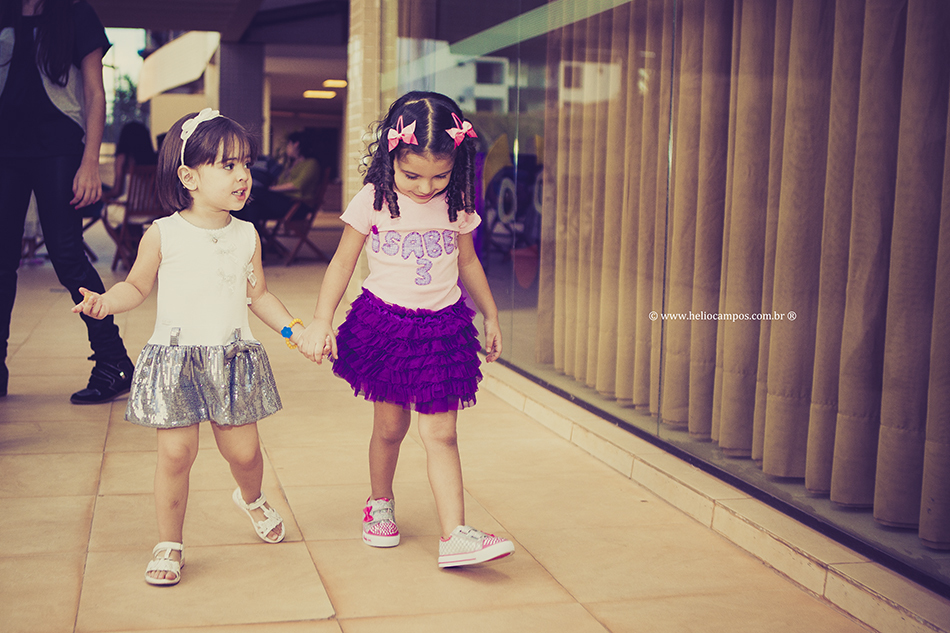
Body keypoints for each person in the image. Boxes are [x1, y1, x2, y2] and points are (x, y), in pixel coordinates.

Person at [72, 109, 323, 586]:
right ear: (189, 177)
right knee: (176, 455)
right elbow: (136, 287)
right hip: (176, 362)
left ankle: (251, 497)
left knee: (244, 454)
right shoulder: (163, 233)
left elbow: (258, 296)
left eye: (245, 163)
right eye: (228, 165)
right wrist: (106, 302)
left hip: (230, 359)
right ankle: (169, 542)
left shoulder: (247, 235)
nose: (243, 175)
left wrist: (295, 330)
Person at [297, 91, 514, 568]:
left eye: (439, 176)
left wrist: (491, 313)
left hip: (443, 329)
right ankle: (380, 503)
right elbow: (342, 262)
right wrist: (321, 319)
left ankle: (455, 534)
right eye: (411, 175)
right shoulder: (373, 199)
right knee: (390, 427)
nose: (424, 187)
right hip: (388, 328)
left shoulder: (457, 201)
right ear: (390, 156)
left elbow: (468, 262)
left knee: (442, 433)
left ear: (456, 165)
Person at [0, 0, 134, 402]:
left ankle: (113, 361)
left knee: (67, 255)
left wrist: (89, 162)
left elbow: (94, 93)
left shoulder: (75, 13)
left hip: (59, 148)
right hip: (6, 151)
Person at [238, 129, 323, 225]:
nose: (287, 148)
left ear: (296, 144)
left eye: (288, 144)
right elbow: (280, 182)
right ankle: (255, 234)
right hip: (284, 202)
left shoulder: (311, 163)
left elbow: (296, 185)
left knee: (255, 192)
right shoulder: (291, 164)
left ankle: (254, 233)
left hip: (297, 205)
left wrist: (270, 189)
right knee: (251, 207)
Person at [101, 120, 158, 204]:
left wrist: (102, 195)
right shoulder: (153, 160)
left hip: (127, 208)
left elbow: (116, 191)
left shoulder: (123, 158)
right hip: (150, 208)